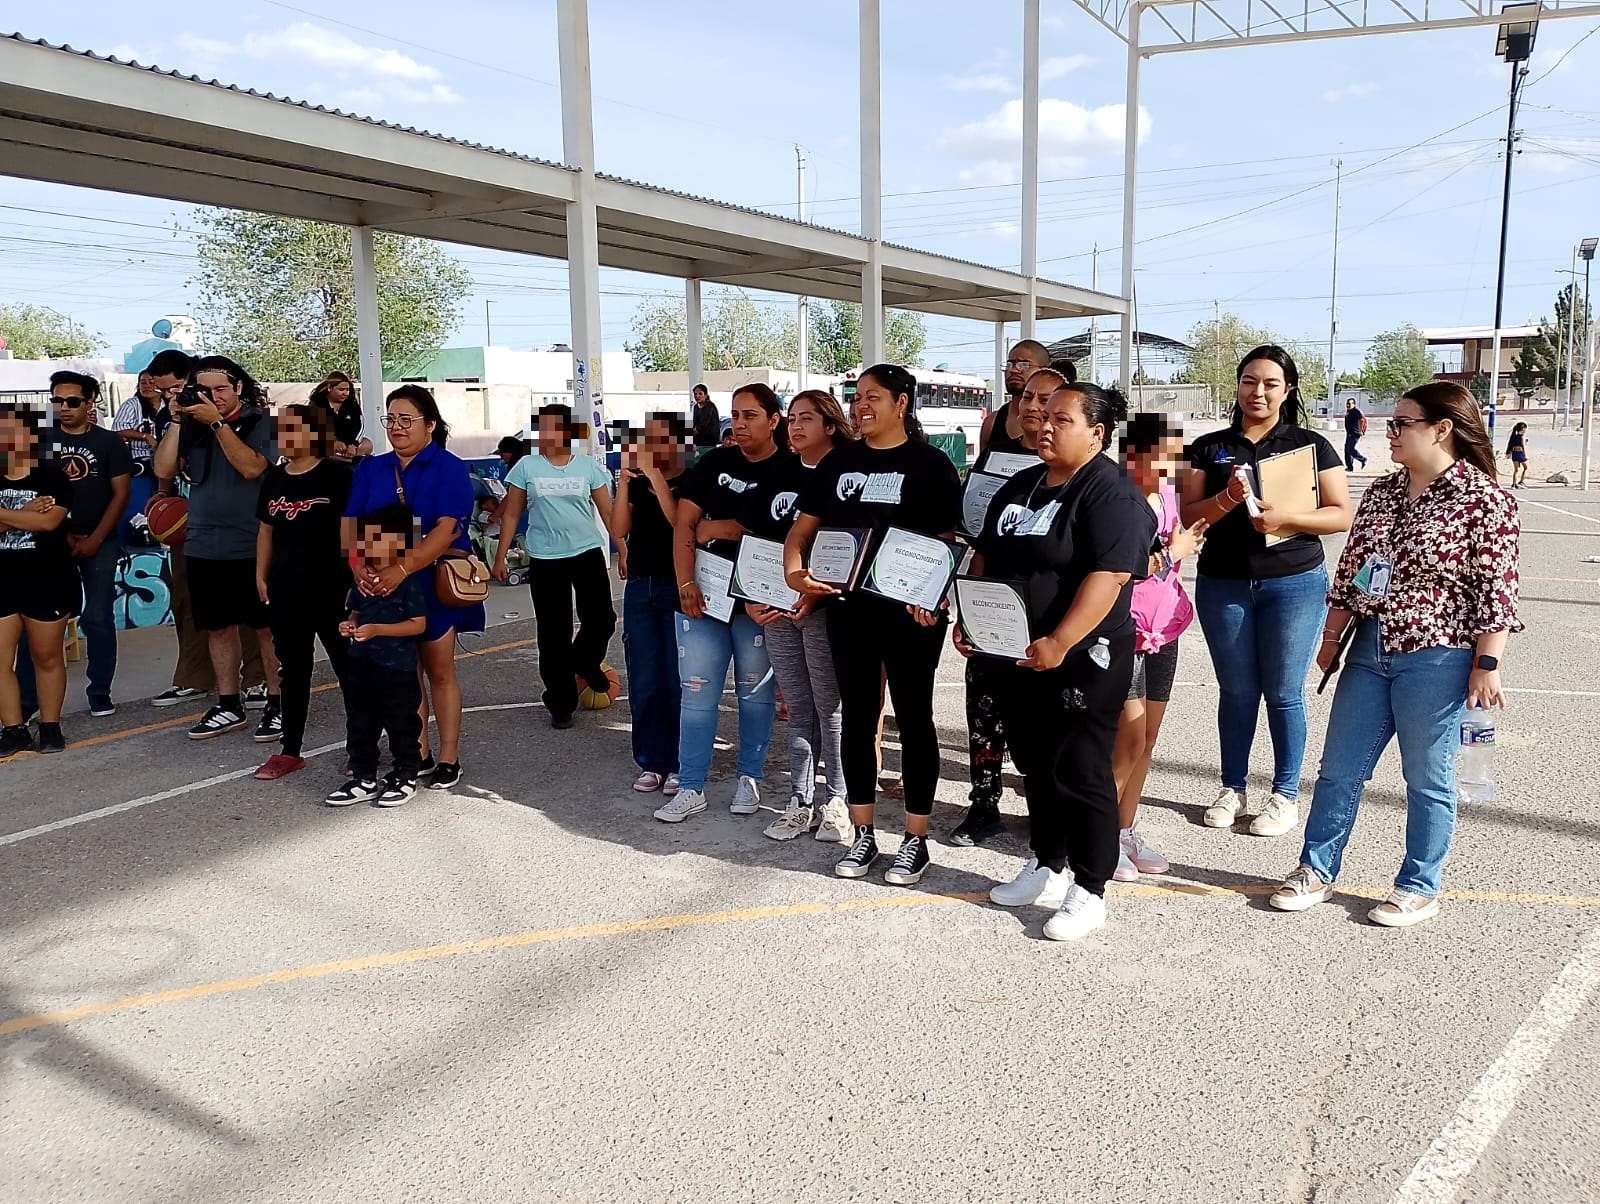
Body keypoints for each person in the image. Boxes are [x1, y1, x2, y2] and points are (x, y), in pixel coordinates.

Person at [1271, 382, 1521, 926]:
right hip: (1370, 646)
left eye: (1402, 423)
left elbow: (1497, 590)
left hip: (1438, 655)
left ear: (1441, 429)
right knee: (1339, 770)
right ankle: (1315, 869)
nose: (1391, 432)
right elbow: (1353, 567)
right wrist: (1331, 637)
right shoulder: (1384, 491)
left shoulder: (1485, 499)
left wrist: (1487, 664)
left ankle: (1418, 885)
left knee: (1427, 778)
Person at [962, 381, 1156, 939]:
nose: (1045, 425)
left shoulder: (1112, 494)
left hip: (1082, 657)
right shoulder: (1020, 485)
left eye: (1062, 419)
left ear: (1097, 433)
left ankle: (1090, 887)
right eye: (1042, 415)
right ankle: (1047, 863)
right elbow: (987, 556)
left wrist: (1061, 640)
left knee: (1081, 768)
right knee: (1036, 763)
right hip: (1016, 653)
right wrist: (971, 620)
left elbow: (1109, 577)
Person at [784, 364, 963, 885]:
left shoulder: (931, 465)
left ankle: (915, 839)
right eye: (856, 397)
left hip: (911, 615)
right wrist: (795, 572)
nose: (861, 406)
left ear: (902, 402)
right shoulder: (839, 462)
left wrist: (934, 597)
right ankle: (863, 834)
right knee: (858, 719)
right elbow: (802, 531)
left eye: (872, 397)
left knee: (915, 719)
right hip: (850, 612)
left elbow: (947, 544)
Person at [1181, 346, 1351, 838]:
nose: (1258, 392)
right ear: (1237, 385)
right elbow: (1188, 514)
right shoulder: (1209, 447)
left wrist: (1286, 518)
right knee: (1236, 691)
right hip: (1224, 582)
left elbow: (1340, 514)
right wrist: (1226, 499)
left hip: (1293, 581)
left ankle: (1284, 794)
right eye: (1249, 381)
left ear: (1288, 389)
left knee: (1283, 692)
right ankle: (1232, 788)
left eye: (1271, 383)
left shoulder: (1310, 445)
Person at [654, 384, 789, 823]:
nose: (741, 423)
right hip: (704, 598)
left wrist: (721, 527)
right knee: (697, 693)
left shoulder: (791, 470)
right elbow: (684, 526)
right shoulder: (713, 464)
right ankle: (690, 786)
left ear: (774, 419)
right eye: (736, 414)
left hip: (759, 601)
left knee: (755, 693)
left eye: (751, 415)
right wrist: (685, 581)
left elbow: (782, 534)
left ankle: (749, 778)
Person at [344, 385, 484, 790]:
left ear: (430, 425)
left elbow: (447, 528)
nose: (397, 427)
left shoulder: (449, 468)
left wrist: (402, 569)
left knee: (439, 670)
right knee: (406, 673)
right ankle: (417, 753)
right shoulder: (371, 468)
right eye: (391, 419)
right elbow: (351, 523)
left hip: (430, 579)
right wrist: (357, 566)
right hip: (381, 584)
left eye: (407, 419)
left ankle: (449, 758)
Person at [949, 365, 1061, 848]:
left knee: (1046, 724)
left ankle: (1047, 813)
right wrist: (967, 613)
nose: (1033, 408)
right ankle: (983, 804)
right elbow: (982, 548)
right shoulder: (1010, 478)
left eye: (1047, 400)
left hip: (1052, 624)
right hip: (995, 616)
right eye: (1028, 397)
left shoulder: (1090, 480)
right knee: (985, 712)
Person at [740, 389, 853, 844]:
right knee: (798, 707)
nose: (796, 425)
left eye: (807, 418)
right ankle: (799, 800)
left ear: (830, 424)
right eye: (792, 418)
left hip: (825, 608)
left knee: (831, 708)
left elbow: (851, 547)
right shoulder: (779, 473)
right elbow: (755, 540)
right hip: (777, 609)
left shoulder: (847, 472)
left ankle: (838, 801)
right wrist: (750, 596)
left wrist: (814, 597)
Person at [151, 354, 283, 741]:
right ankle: (228, 703)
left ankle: (277, 702)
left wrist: (217, 423)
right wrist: (177, 421)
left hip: (253, 542)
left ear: (239, 387)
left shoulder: (262, 422)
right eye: (204, 390)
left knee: (266, 628)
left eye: (221, 389)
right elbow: (163, 470)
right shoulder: (190, 426)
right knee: (218, 627)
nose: (213, 397)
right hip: (204, 543)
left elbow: (252, 467)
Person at [1110, 414, 1206, 881]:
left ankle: (1125, 830)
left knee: (1147, 737)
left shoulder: (1167, 494)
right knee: (1124, 738)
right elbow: (1122, 567)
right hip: (1123, 629)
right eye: (1164, 456)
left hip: (1164, 627)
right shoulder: (1117, 499)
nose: (1172, 466)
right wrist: (1173, 551)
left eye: (1176, 456)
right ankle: (1099, 835)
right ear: (1134, 455)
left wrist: (1180, 546)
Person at [13, 372, 131, 719]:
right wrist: (60, 532)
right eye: (57, 400)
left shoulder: (110, 442)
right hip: (48, 541)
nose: (63, 407)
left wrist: (96, 538)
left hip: (100, 540)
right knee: (34, 619)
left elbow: (120, 495)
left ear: (89, 402)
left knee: (97, 617)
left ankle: (100, 692)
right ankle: (29, 700)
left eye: (72, 401)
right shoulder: (41, 441)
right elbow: (33, 490)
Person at [492, 404, 617, 729]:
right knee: (553, 632)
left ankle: (583, 662)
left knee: (602, 620)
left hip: (587, 552)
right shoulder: (526, 466)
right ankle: (561, 702)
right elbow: (511, 513)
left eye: (556, 427)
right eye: (543, 428)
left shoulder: (588, 467)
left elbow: (607, 512)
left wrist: (625, 548)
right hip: (546, 558)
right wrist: (500, 556)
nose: (548, 434)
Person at [253, 403, 353, 781]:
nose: (283, 435)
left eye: (292, 428)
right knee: (293, 672)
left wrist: (358, 581)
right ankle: (290, 750)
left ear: (314, 433)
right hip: (286, 590)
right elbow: (265, 530)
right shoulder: (274, 479)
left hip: (333, 589)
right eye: (281, 428)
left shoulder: (338, 476)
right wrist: (261, 575)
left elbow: (353, 531)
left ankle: (360, 746)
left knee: (348, 669)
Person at [324, 505, 428, 807]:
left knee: (401, 723)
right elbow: (355, 614)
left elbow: (418, 624)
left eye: (376, 539)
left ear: (399, 543)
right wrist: (350, 625)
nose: (368, 546)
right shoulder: (363, 581)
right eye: (364, 540)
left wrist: (378, 630)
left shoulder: (407, 584)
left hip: (397, 668)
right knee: (360, 723)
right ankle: (363, 777)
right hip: (361, 664)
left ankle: (406, 775)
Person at [610, 412, 688, 795]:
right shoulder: (638, 483)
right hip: (641, 584)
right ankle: (651, 760)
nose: (651, 447)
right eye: (647, 439)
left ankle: (679, 762)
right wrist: (625, 482)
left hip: (678, 584)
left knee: (677, 677)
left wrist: (654, 475)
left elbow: (679, 523)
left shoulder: (690, 480)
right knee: (643, 676)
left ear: (678, 443)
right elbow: (618, 529)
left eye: (660, 438)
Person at [0, 403, 76, 757]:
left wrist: (7, 517)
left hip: (47, 578)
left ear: (30, 436)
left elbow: (48, 522)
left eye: (11, 430)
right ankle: (13, 729)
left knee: (46, 656)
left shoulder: (52, 476)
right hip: (3, 580)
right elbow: (34, 519)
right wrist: (24, 513)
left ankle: (50, 726)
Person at [111, 370, 167, 545]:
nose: (147, 386)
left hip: (168, 465)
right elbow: (117, 430)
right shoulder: (132, 404)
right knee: (136, 507)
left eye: (151, 382)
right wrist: (145, 436)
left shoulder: (169, 405)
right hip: (140, 463)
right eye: (143, 382)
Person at [979, 339, 1059, 454]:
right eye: (1009, 364)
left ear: (1044, 370)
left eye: (1024, 365)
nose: (1013, 370)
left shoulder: (1059, 425)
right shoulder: (992, 422)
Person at [308, 372, 373, 461]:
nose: (345, 393)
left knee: (368, 444)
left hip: (349, 444)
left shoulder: (352, 403)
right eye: (341, 390)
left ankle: (347, 457)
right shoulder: (317, 404)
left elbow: (360, 425)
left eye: (347, 390)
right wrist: (333, 442)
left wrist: (353, 444)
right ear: (330, 388)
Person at [690, 383, 720, 450]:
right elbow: (694, 422)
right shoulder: (696, 407)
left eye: (700, 394)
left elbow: (703, 425)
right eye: (695, 394)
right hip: (699, 438)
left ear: (705, 395)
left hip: (710, 439)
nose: (697, 396)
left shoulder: (710, 406)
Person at [1343, 397, 1368, 472]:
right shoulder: (1348, 411)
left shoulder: (1357, 411)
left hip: (1355, 433)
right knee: (1347, 450)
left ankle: (1363, 459)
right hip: (1349, 433)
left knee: (1350, 449)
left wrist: (1362, 431)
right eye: (1347, 404)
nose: (1348, 405)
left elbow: (1363, 421)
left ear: (1354, 404)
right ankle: (1349, 467)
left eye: (1349, 404)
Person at [1505, 421, 1529, 488]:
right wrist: (1525, 455)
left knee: (1516, 470)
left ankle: (1514, 484)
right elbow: (1523, 446)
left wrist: (1508, 453)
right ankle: (1521, 481)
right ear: (1522, 429)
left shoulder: (1513, 436)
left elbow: (1510, 444)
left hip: (1514, 453)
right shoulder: (1522, 437)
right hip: (1520, 453)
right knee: (1526, 468)